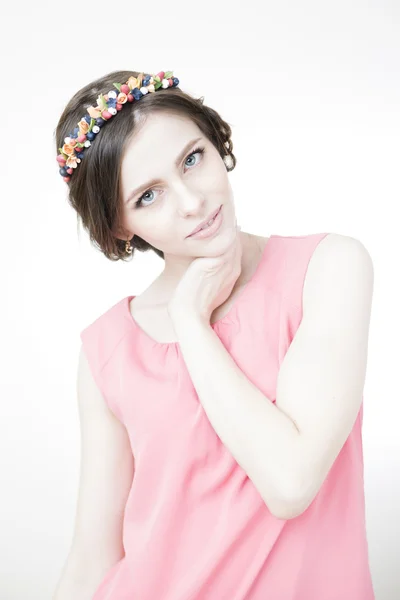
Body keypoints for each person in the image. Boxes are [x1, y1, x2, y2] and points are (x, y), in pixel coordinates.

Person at [52, 70, 375, 600]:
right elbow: (92, 558)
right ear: (119, 226)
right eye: (149, 195)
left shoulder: (328, 267)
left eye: (191, 159)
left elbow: (291, 483)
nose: (191, 202)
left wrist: (191, 323)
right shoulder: (109, 348)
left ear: (215, 140)